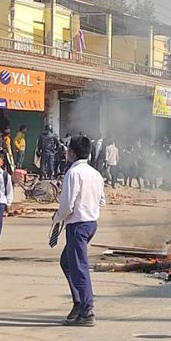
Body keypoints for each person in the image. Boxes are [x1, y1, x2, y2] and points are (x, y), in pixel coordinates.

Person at [53, 136, 105, 327]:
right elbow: (102, 201)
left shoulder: (73, 173)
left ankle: (87, 310)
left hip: (78, 225)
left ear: (72, 153)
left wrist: (58, 217)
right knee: (67, 262)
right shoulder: (95, 174)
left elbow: (67, 203)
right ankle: (79, 301)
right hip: (91, 223)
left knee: (79, 267)